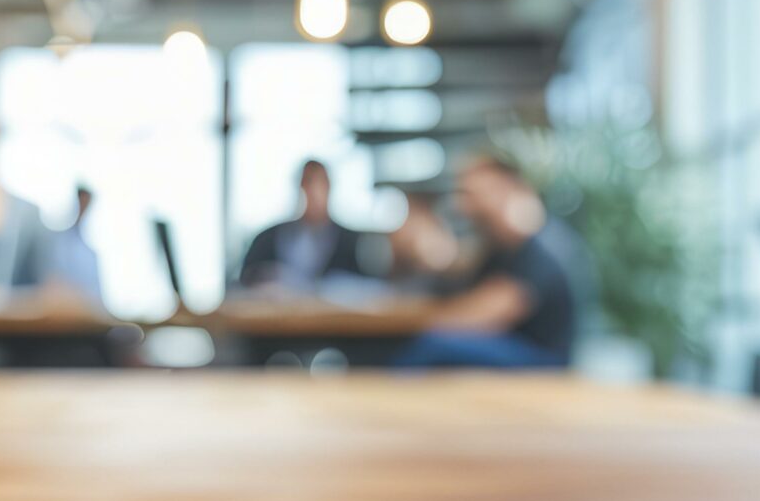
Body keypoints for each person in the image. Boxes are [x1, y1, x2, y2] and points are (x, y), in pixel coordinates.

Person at [396, 153, 583, 370]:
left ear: (504, 188)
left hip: (543, 361)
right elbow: (454, 269)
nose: (462, 206)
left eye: (472, 194)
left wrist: (409, 323)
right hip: (508, 346)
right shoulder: (500, 246)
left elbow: (483, 316)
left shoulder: (543, 246)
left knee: (433, 345)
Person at [236, 159, 375, 291]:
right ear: (299, 188)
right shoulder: (266, 239)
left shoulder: (352, 243)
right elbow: (244, 282)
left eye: (320, 186)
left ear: (329, 188)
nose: (314, 194)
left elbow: (370, 290)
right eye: (308, 185)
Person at [45, 184, 107, 311]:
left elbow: (97, 297)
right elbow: (53, 283)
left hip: (86, 317)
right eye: (81, 201)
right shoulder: (55, 242)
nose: (83, 207)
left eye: (87, 203)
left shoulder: (90, 253)